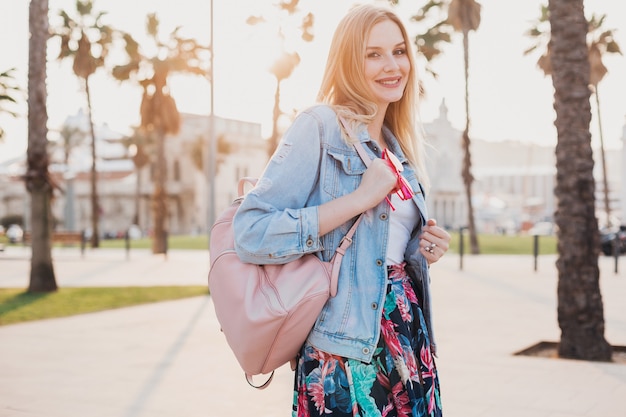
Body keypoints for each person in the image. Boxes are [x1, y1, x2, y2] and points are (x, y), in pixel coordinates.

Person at [234, 4, 450, 416]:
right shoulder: (320, 126)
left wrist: (423, 249)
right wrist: (357, 200)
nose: (392, 65)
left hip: (408, 337)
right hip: (344, 351)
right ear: (349, 62)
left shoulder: (396, 145)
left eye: (399, 51)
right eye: (374, 54)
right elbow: (251, 232)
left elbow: (376, 253)